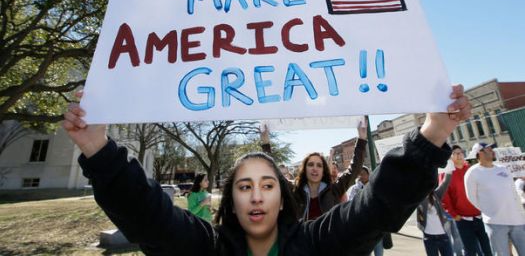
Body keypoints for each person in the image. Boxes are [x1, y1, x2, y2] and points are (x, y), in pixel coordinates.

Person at [63, 85, 470, 255]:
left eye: (266, 185)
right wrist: (97, 149)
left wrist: (433, 131)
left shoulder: (316, 243)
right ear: (232, 200)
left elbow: (377, 206)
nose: (256, 195)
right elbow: (146, 214)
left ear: (281, 199)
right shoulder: (206, 247)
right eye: (244, 186)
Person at [291, 120, 367, 220]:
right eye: (310, 164)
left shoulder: (333, 190)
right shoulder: (295, 191)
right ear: (304, 170)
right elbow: (275, 177)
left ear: (323, 171)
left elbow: (354, 170)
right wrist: (266, 145)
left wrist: (361, 139)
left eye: (319, 165)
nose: (315, 168)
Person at [465, 143, 525, 256]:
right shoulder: (472, 172)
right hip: (495, 223)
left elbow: (513, 193)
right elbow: (471, 197)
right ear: (479, 153)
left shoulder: (503, 169)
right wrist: (490, 212)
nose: (492, 150)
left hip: (517, 220)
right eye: (488, 149)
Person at [441, 144, 492, 255]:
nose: (459, 155)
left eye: (461, 152)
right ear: (450, 157)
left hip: (480, 216)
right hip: (463, 219)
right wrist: (454, 215)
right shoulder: (447, 174)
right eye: (455, 153)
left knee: (487, 249)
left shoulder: (471, 170)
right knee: (470, 250)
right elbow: (444, 197)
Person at [417, 159, 455, 256]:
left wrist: (449, 164)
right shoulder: (418, 197)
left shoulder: (436, 195)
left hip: (443, 236)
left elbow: (446, 181)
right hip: (429, 238)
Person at [347, 166, 387, 256]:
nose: (361, 176)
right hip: (362, 227)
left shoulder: (375, 186)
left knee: (378, 251)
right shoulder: (355, 188)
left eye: (364, 174)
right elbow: (351, 203)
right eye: (360, 174)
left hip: (376, 227)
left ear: (369, 175)